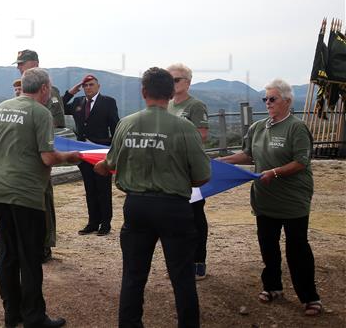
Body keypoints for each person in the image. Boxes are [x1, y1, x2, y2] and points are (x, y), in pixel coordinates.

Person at [94, 67, 210, 328]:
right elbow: (202, 176)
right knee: (182, 276)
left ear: (144, 92)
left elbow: (110, 163)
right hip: (175, 207)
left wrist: (100, 167)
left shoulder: (127, 124)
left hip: (136, 206)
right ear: (170, 94)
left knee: (133, 275)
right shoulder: (185, 127)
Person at [0, 68, 82, 328]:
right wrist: (70, 157)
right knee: (30, 256)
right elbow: (48, 157)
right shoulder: (41, 113)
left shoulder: (2, 107)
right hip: (25, 193)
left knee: (7, 254)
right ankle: (34, 318)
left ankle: (12, 314)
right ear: (44, 89)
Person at [220, 79, 322, 317]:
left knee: (297, 249)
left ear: (287, 101)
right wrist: (220, 163)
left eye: (272, 99)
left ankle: (310, 297)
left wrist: (274, 172)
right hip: (265, 199)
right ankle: (273, 286)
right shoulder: (258, 128)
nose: (267, 103)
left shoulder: (296, 128)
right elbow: (248, 155)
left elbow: (301, 161)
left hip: (293, 200)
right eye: (265, 99)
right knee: (268, 246)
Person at [15, 49, 64, 262]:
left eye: (22, 64)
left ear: (34, 63)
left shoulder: (49, 91)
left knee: (42, 201)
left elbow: (56, 122)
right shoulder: (20, 93)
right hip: (21, 156)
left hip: (40, 153)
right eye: (18, 64)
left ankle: (44, 245)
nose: (19, 68)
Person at [166, 63, 210, 280]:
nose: (172, 84)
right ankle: (179, 262)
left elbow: (202, 135)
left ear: (187, 82)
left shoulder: (196, 105)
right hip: (170, 169)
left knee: (195, 216)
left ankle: (198, 261)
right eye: (169, 80)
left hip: (189, 169)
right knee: (174, 217)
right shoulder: (167, 106)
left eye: (176, 80)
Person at [63, 74, 119, 236]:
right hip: (83, 153)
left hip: (101, 152)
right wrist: (71, 93)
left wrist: (111, 150)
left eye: (91, 85)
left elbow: (116, 127)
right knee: (90, 189)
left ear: (98, 86)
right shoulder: (77, 102)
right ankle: (93, 222)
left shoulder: (108, 102)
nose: (88, 88)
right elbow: (59, 106)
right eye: (85, 85)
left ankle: (105, 224)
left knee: (103, 188)